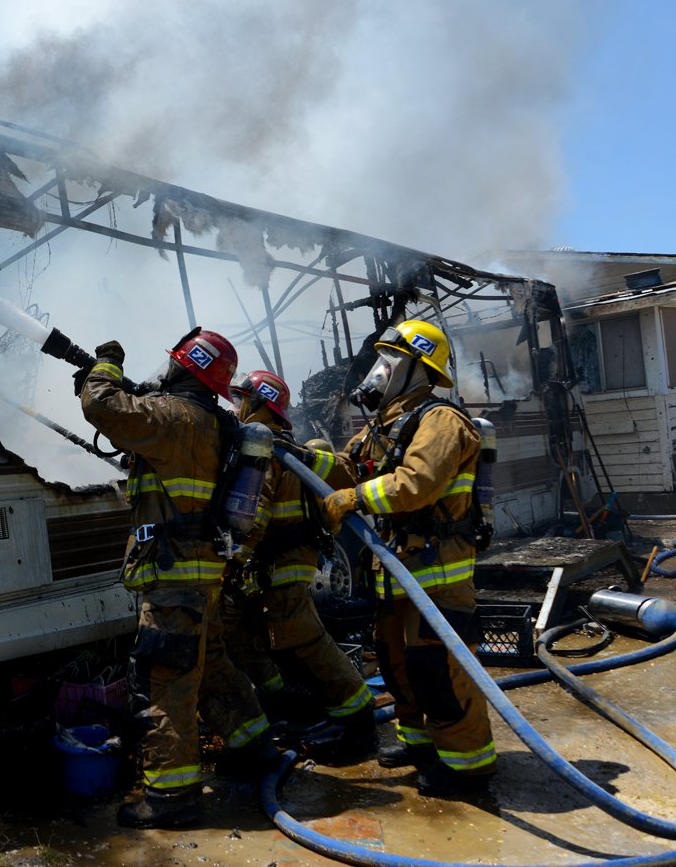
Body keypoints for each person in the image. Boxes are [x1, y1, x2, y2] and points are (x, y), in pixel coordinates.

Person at [79, 328, 279, 829]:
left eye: (171, 364)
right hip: (206, 571)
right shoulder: (217, 422)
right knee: (209, 663)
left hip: (172, 575)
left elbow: (101, 405)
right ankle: (255, 747)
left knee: (164, 684)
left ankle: (172, 798)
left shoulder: (172, 418)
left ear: (185, 366)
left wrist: (105, 364)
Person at [322, 319, 496, 797]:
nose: (378, 371)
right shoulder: (385, 425)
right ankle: (421, 745)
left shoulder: (440, 420)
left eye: (389, 361)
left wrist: (356, 499)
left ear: (418, 369)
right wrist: (305, 456)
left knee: (439, 670)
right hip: (398, 570)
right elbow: (346, 467)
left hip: (437, 572)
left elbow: (415, 483)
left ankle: (467, 765)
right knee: (400, 667)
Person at [220, 370, 376, 764]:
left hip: (283, 564)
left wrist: (231, 560)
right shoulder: (275, 444)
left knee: (306, 643)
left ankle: (358, 721)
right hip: (278, 563)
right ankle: (284, 704)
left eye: (242, 400)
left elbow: (254, 511)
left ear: (257, 404)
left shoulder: (263, 448)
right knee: (247, 634)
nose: (237, 407)